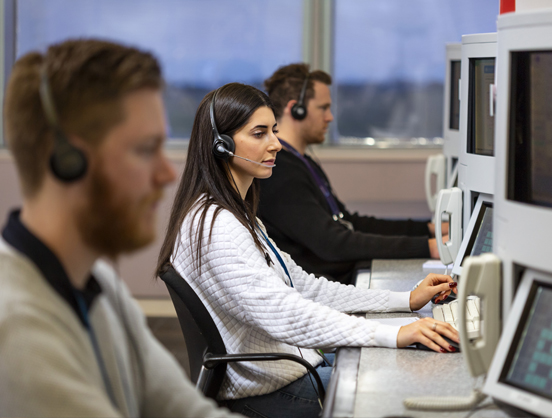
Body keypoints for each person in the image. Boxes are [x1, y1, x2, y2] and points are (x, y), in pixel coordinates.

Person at [157, 82, 459, 418]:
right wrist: (394, 334)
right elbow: (287, 314)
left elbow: (305, 287)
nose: (275, 144)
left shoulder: (237, 215)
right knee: (405, 385)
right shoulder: (218, 227)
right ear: (221, 145)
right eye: (259, 134)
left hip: (290, 369)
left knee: (405, 360)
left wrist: (404, 300)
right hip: (274, 392)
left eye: (273, 130)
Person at [0, 39, 240, 417]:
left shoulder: (96, 281)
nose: (166, 174)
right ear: (68, 163)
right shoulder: (14, 331)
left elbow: (187, 411)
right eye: (146, 149)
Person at [259, 63, 447, 284]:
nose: (330, 117)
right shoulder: (280, 173)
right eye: (323, 108)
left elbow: (347, 221)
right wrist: (427, 246)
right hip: (319, 288)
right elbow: (334, 243)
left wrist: (428, 229)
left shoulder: (301, 162)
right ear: (296, 109)